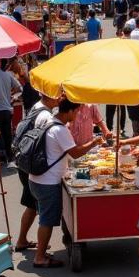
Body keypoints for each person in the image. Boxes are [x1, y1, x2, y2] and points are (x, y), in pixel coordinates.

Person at [28, 96, 103, 267]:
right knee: (47, 219)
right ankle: (40, 257)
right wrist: (94, 142)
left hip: (38, 178)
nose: (77, 114)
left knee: (46, 216)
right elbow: (75, 153)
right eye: (76, 111)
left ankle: (44, 249)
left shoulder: (50, 122)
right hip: (47, 181)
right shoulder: (60, 130)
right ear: (69, 111)